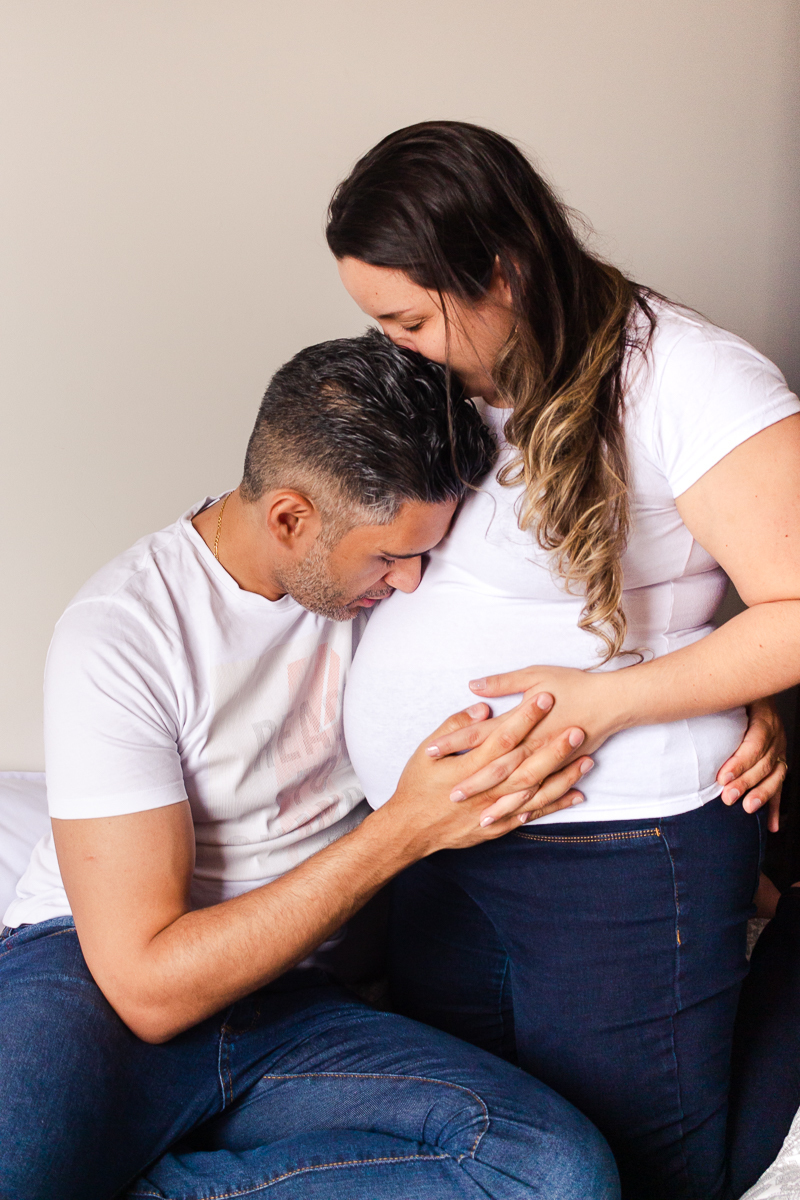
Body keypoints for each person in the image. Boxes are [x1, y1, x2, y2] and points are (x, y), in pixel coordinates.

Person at [0, 333, 620, 1200]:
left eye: (423, 555)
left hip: (291, 1009)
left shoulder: (401, 590)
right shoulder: (123, 632)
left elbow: (586, 655)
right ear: (289, 517)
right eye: (386, 556)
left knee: (556, 1173)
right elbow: (144, 986)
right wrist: (400, 833)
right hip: (90, 982)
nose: (410, 584)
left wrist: (738, 715)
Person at [326, 121, 800, 1200]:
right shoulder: (449, 378)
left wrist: (615, 700)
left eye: (407, 317)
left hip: (617, 846)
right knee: (500, 1151)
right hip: (442, 834)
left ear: (500, 270)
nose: (393, 346)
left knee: (650, 1171)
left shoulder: (690, 378)